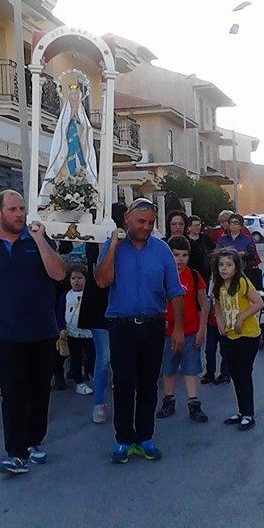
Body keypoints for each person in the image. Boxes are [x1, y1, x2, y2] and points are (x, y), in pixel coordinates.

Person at [0, 190, 66, 475]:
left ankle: (35, 441)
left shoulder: (39, 239)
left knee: (40, 392)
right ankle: (15, 452)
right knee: (12, 394)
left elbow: (59, 273)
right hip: (9, 334)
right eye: (13, 209)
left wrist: (40, 240)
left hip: (43, 331)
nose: (19, 214)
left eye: (22, 208)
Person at [95, 197, 185, 463]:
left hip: (153, 324)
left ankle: (145, 437)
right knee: (123, 383)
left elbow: (175, 290)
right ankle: (123, 440)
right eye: (141, 222)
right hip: (121, 325)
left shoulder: (162, 249)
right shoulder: (112, 246)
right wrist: (113, 244)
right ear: (127, 220)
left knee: (148, 384)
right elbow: (102, 281)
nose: (146, 227)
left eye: (150, 223)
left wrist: (179, 329)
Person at [157, 236, 209, 423]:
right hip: (167, 333)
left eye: (184, 255)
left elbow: (204, 305)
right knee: (168, 369)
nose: (180, 259)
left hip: (190, 332)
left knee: (191, 369)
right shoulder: (161, 276)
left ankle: (194, 403)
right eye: (176, 255)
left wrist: (202, 329)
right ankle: (168, 401)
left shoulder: (194, 276)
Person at [212, 248, 263, 431]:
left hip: (247, 334)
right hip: (229, 334)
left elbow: (258, 303)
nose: (224, 268)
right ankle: (241, 411)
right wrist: (220, 323)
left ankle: (248, 413)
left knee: (243, 372)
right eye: (221, 265)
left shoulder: (241, 282)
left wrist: (242, 317)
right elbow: (217, 305)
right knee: (233, 372)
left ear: (236, 267)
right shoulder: (218, 284)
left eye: (229, 265)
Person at [64, 267, 95, 395]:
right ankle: (79, 382)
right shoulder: (67, 295)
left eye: (79, 278)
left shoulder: (90, 294)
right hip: (72, 332)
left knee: (92, 355)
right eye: (73, 278)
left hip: (89, 333)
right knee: (75, 358)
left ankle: (92, 374)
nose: (76, 281)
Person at [187, 215, 215, 281]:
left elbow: (213, 248)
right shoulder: (186, 239)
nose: (197, 227)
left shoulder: (204, 237)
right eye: (195, 225)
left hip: (204, 270)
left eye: (198, 225)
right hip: (190, 268)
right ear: (189, 227)